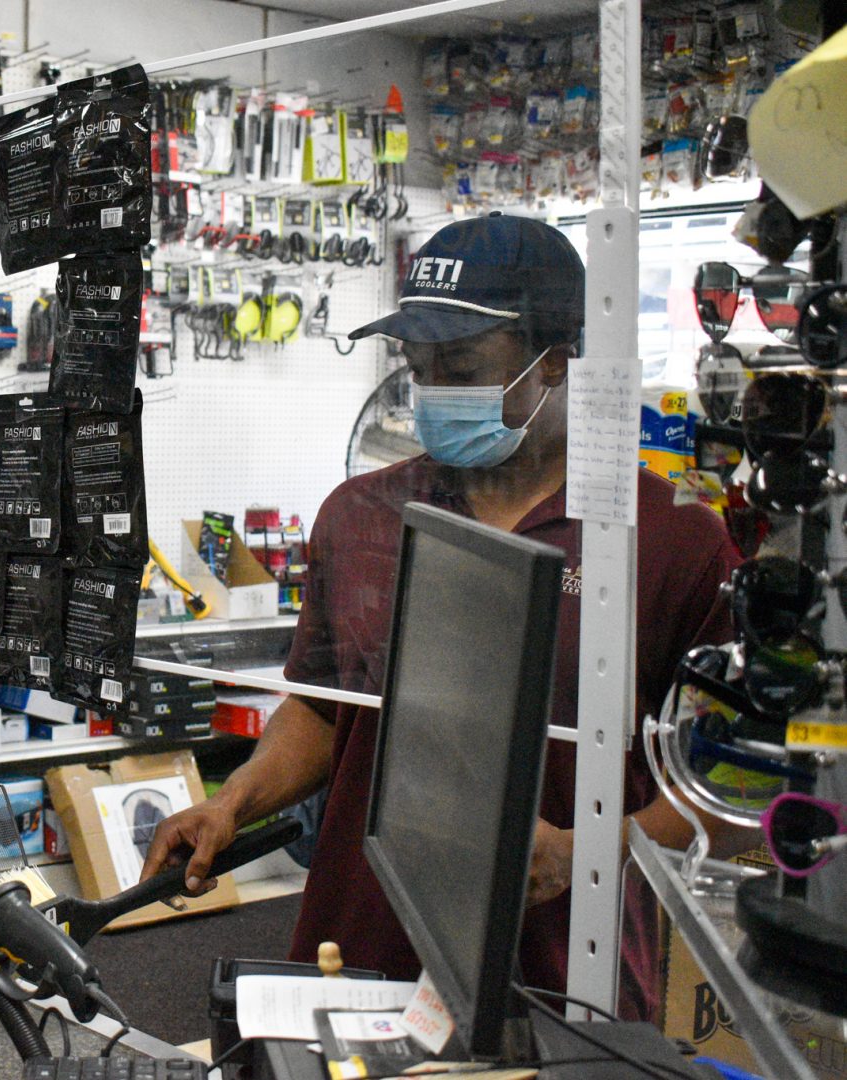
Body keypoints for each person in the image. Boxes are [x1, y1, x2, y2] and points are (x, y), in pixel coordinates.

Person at [141, 213, 751, 1021]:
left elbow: (739, 784)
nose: (433, 390)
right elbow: (329, 709)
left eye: (459, 364)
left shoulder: (673, 538)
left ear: (558, 361)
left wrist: (590, 852)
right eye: (419, 365)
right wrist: (233, 802)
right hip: (355, 959)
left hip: (567, 980)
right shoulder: (361, 515)